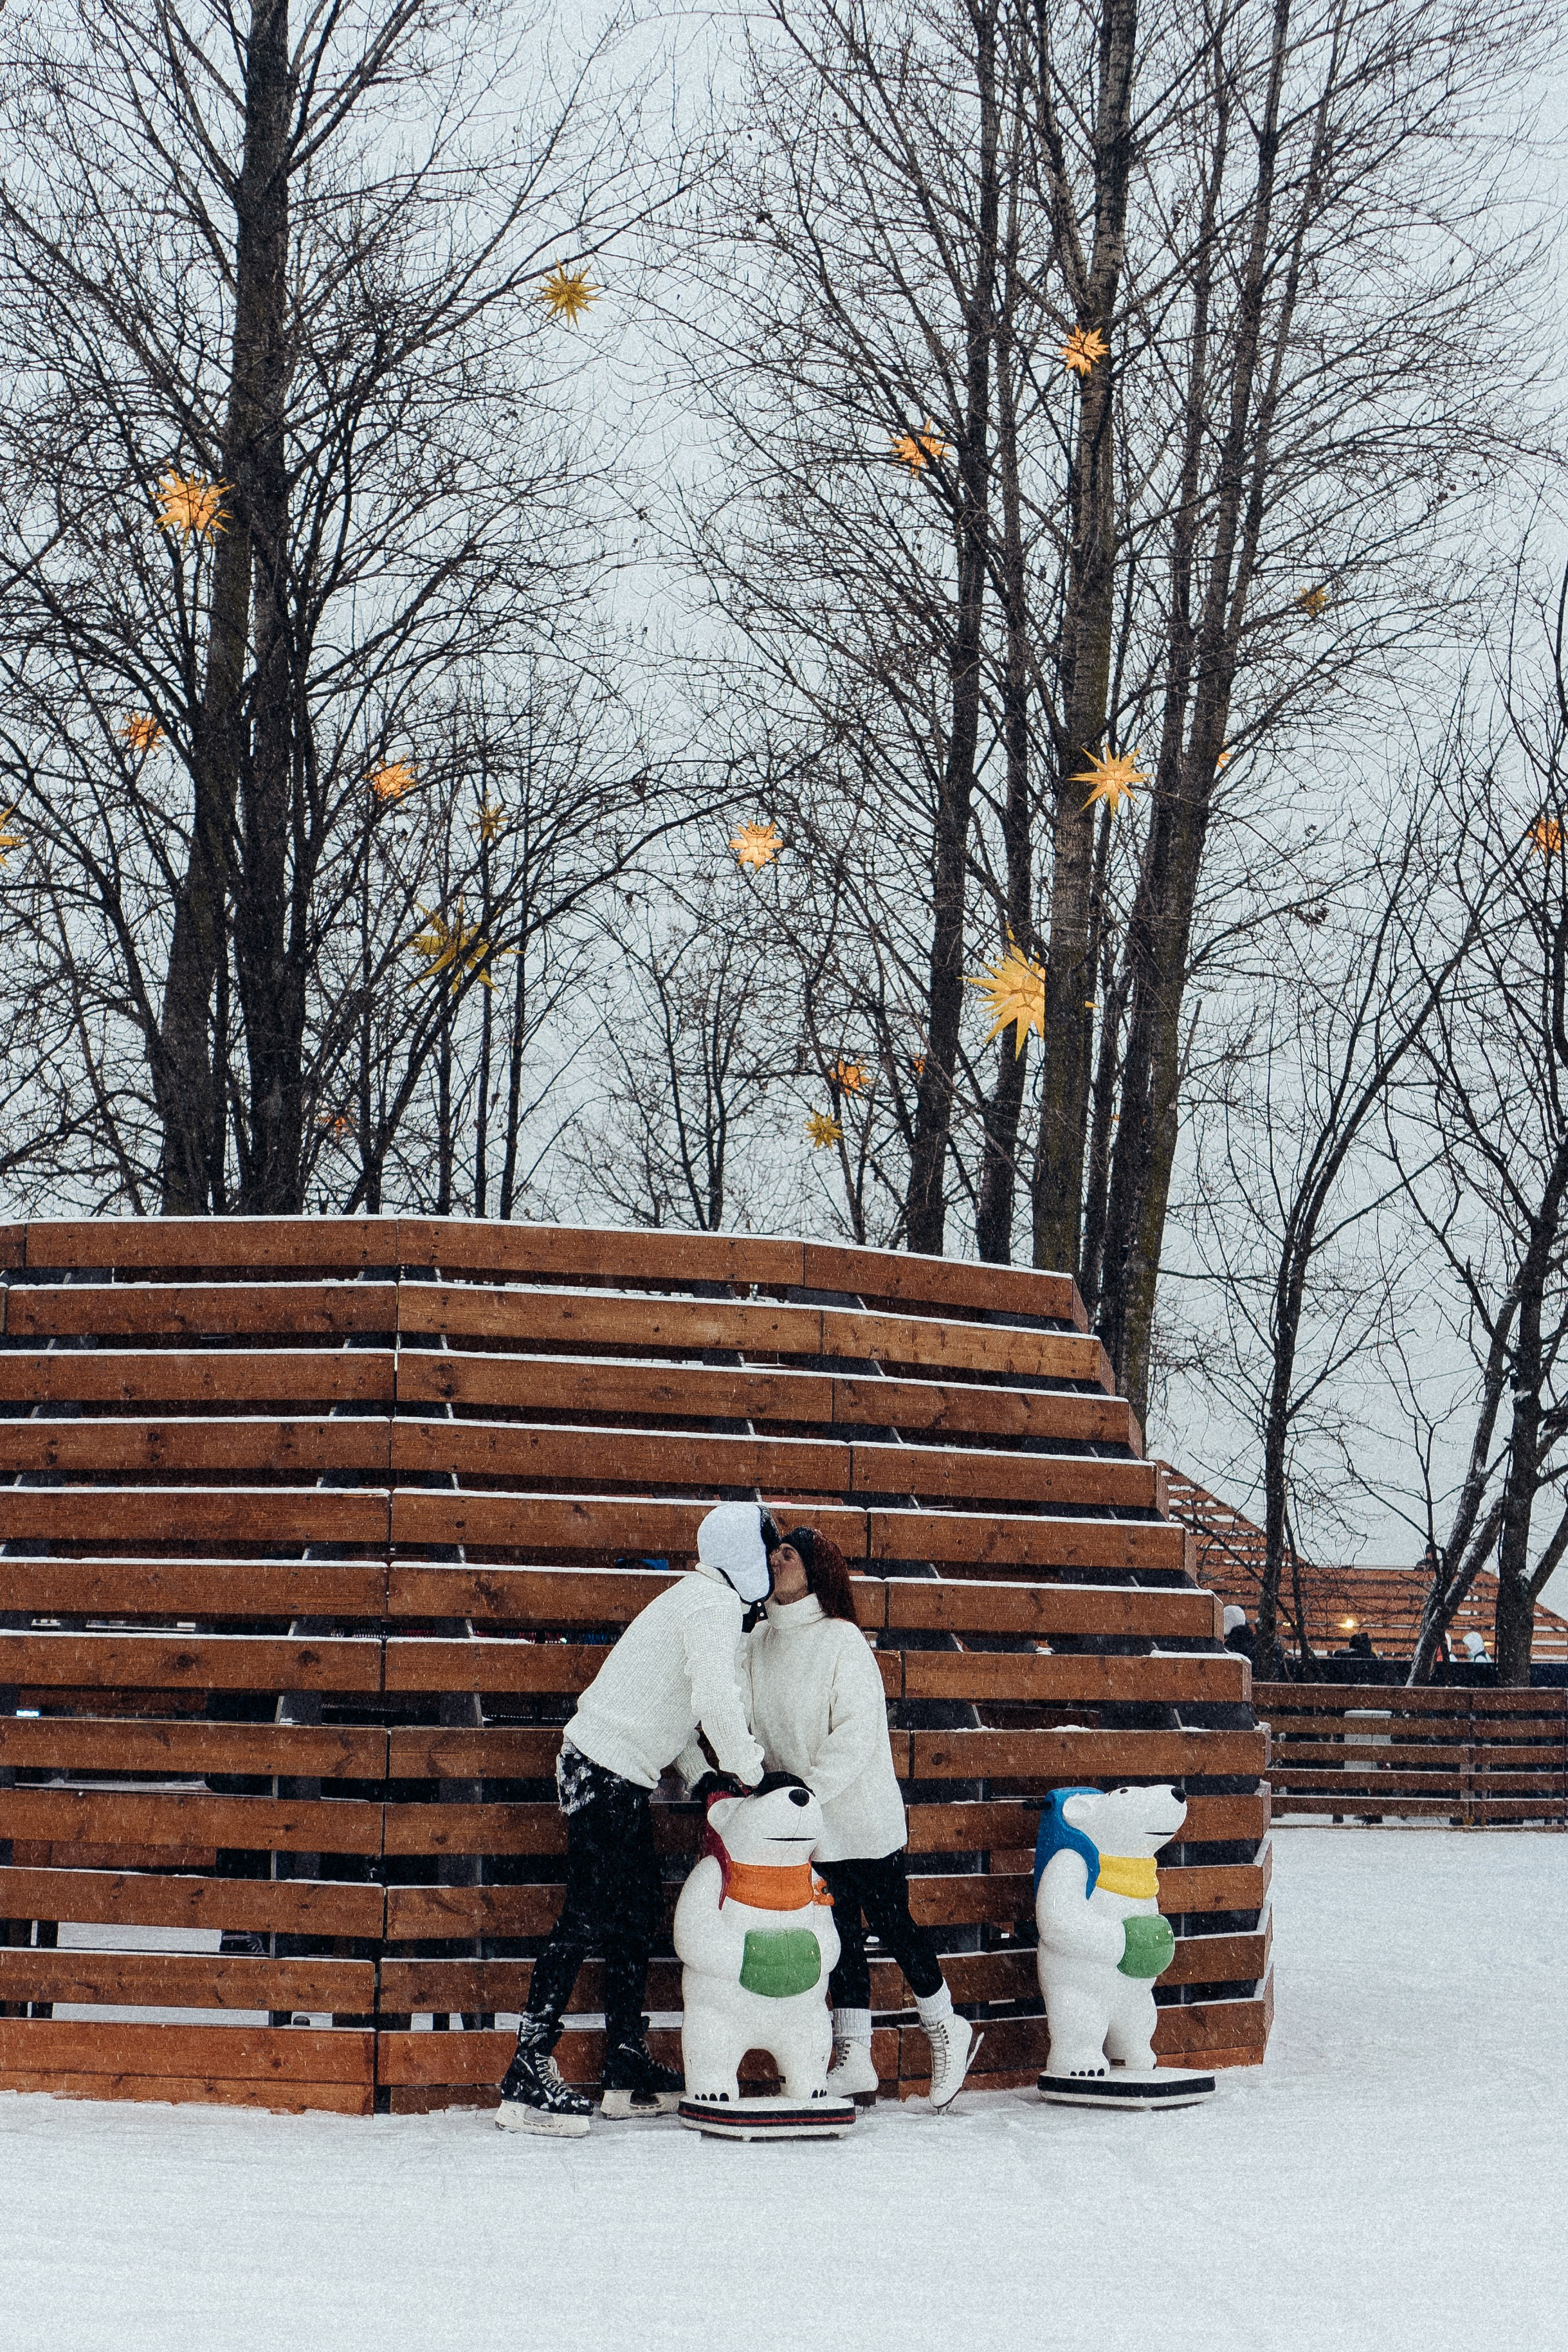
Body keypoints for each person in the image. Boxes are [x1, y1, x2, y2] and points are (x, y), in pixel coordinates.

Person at [497, 1501, 772, 2136]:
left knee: (637, 1911)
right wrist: (754, 1774)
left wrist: (702, 1775)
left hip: (613, 1770)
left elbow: (673, 1706)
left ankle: (623, 2061)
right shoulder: (712, 1605)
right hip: (604, 1769)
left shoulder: (699, 1598)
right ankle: (528, 2067)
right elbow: (714, 1700)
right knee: (587, 1913)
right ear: (746, 1556)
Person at [743, 1524, 978, 2110]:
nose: (776, 1559)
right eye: (774, 1551)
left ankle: (945, 2026)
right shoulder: (760, 1641)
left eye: (789, 1554)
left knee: (894, 1925)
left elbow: (854, 1732)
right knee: (841, 1936)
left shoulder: (842, 1639)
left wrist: (807, 1792)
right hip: (809, 1821)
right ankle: (855, 2057)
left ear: (815, 1571)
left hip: (860, 1814)